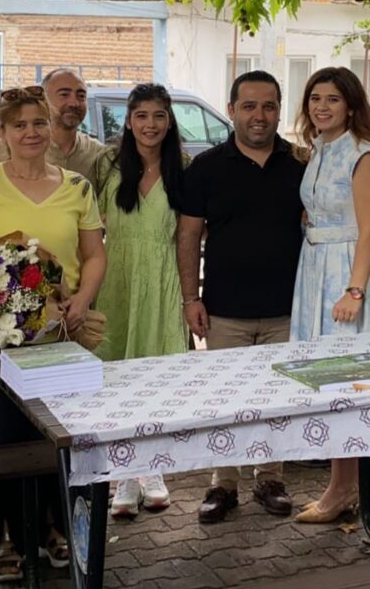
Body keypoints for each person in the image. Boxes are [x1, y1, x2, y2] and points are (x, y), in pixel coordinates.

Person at [0, 85, 106, 582]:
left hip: (59, 334)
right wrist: (8, 297)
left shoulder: (77, 186)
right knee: (5, 434)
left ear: (51, 129)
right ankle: (6, 540)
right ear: (3, 133)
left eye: (39, 123)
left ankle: (54, 528)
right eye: (20, 125)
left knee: (56, 432)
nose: (31, 132)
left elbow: (94, 254)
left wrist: (80, 300)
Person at [177, 70, 306, 524]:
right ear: (231, 110)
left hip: (287, 309)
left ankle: (270, 479)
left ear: (279, 110)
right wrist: (190, 298)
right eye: (249, 106)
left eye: (269, 106)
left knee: (277, 399)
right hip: (224, 309)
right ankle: (223, 485)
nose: (259, 116)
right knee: (224, 400)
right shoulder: (206, 167)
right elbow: (188, 237)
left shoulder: (300, 164)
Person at [96, 83, 188, 518]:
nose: (150, 125)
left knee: (157, 379)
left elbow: (193, 232)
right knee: (117, 380)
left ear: (169, 122)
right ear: (129, 121)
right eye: (141, 116)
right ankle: (124, 476)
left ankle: (152, 469)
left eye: (159, 116)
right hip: (117, 282)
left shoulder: (184, 168)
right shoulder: (109, 166)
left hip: (164, 281)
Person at [290, 66, 370, 523]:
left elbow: (368, 229)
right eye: (315, 98)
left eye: (333, 99)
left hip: (345, 273)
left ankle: (343, 490)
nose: (321, 107)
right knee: (327, 379)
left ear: (351, 105)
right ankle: (343, 486)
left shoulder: (361, 153)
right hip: (314, 268)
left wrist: (354, 291)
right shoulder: (320, 148)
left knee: (347, 380)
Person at [0, 68, 105, 213]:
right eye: (64, 94)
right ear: (44, 100)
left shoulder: (98, 154)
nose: (74, 102)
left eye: (81, 96)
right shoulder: (9, 148)